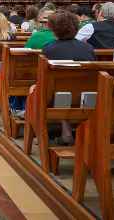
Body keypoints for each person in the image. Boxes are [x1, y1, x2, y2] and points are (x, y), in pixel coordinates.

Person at [43, 11, 95, 145]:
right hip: (84, 96)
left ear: (54, 30)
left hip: (56, 97)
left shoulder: (49, 49)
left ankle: (42, 130)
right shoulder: (88, 48)